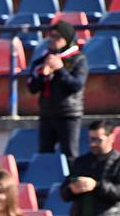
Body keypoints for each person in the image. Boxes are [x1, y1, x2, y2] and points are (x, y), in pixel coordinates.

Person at [27, 21, 89, 159]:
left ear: (66, 39)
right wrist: (44, 74)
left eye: (57, 37)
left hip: (68, 114)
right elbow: (32, 88)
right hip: (47, 114)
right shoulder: (41, 60)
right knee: (44, 155)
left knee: (70, 155)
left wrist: (60, 69)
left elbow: (76, 85)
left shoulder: (78, 60)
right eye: (51, 36)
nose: (52, 40)